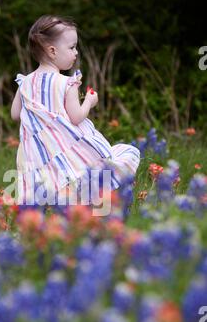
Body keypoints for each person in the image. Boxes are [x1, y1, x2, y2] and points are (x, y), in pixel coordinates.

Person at [10, 15, 140, 208]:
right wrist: (89, 101)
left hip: (38, 154)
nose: (76, 52)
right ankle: (96, 220)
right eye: (72, 47)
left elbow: (14, 115)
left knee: (52, 190)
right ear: (52, 51)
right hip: (68, 148)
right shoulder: (66, 83)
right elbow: (76, 117)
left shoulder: (25, 82)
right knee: (92, 177)